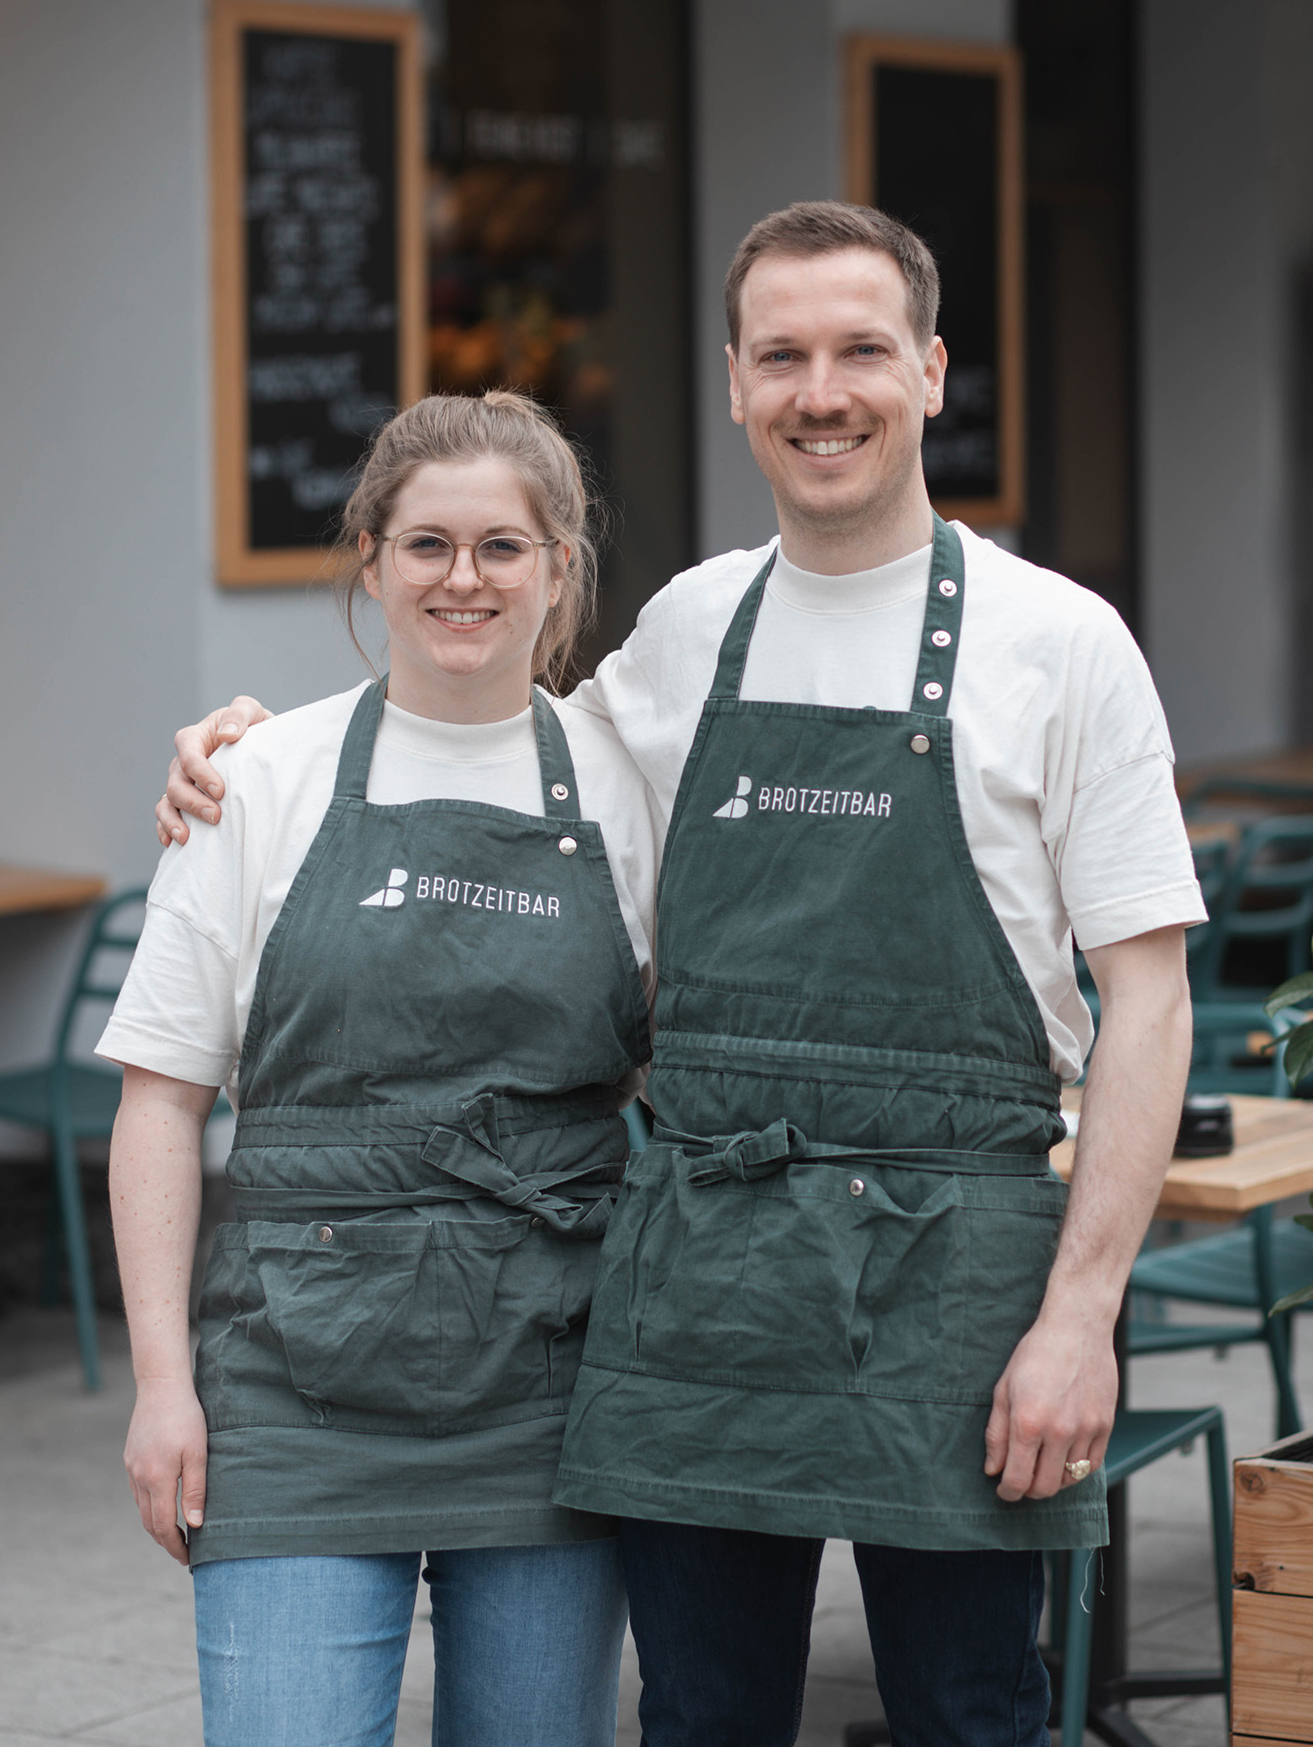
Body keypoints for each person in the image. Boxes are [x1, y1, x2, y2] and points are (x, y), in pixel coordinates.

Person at [159, 202, 1203, 1747]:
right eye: (781, 355)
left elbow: (1151, 1001)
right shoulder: (687, 631)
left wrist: (1078, 1315)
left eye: (858, 351)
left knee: (971, 1712)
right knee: (701, 1717)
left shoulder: (1062, 642)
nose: (820, 391)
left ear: (928, 370)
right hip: (705, 1274)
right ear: (733, 383)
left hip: (963, 1288)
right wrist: (246, 758)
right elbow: (486, 728)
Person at [101, 390, 657, 1747]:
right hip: (293, 1380)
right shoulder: (260, 778)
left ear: (558, 569)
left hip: (549, 1376)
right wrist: (163, 1387)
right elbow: (163, 1099)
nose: (462, 579)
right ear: (370, 558)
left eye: (501, 549)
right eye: (425, 545)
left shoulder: (630, 785)